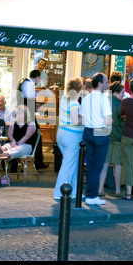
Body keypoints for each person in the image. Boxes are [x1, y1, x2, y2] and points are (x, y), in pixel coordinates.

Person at [80, 72, 112, 205]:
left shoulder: (86, 97)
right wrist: (111, 121)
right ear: (99, 84)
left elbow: (81, 118)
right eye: (105, 82)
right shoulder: (103, 98)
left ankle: (90, 194)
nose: (107, 84)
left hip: (87, 131)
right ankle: (92, 196)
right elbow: (108, 120)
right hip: (99, 131)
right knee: (97, 165)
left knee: (91, 164)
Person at [53, 78, 84, 200]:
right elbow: (75, 120)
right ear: (79, 89)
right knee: (68, 165)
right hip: (72, 136)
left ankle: (75, 191)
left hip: (62, 133)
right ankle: (59, 192)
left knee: (72, 164)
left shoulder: (65, 99)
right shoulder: (74, 102)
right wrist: (90, 119)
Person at [98, 81, 125, 197]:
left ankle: (100, 189)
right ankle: (117, 189)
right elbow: (123, 121)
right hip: (118, 137)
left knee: (105, 163)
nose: (124, 94)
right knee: (118, 165)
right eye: (123, 92)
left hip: (106, 135)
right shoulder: (121, 105)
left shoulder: (105, 100)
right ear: (118, 92)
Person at [19, 70, 48, 169]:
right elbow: (30, 103)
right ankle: (38, 162)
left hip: (23, 116)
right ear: (37, 77)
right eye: (39, 78)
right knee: (36, 137)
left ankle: (17, 164)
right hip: (28, 117)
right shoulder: (29, 85)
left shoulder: (25, 83)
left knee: (25, 136)